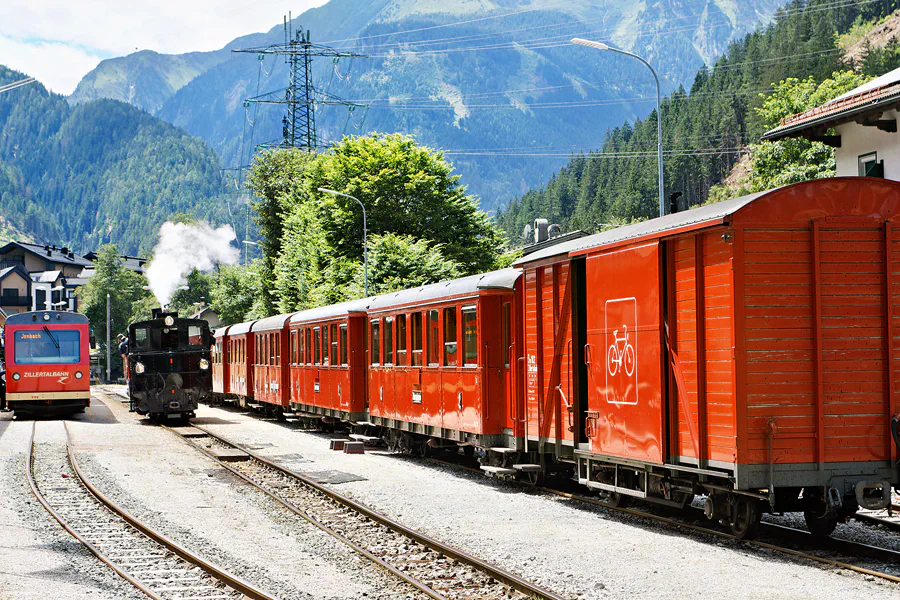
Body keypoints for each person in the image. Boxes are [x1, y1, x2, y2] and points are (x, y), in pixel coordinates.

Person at [118, 333, 133, 412]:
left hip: (128, 359)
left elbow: (123, 356)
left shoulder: (121, 345)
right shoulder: (130, 340)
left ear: (119, 339)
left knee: (128, 374)